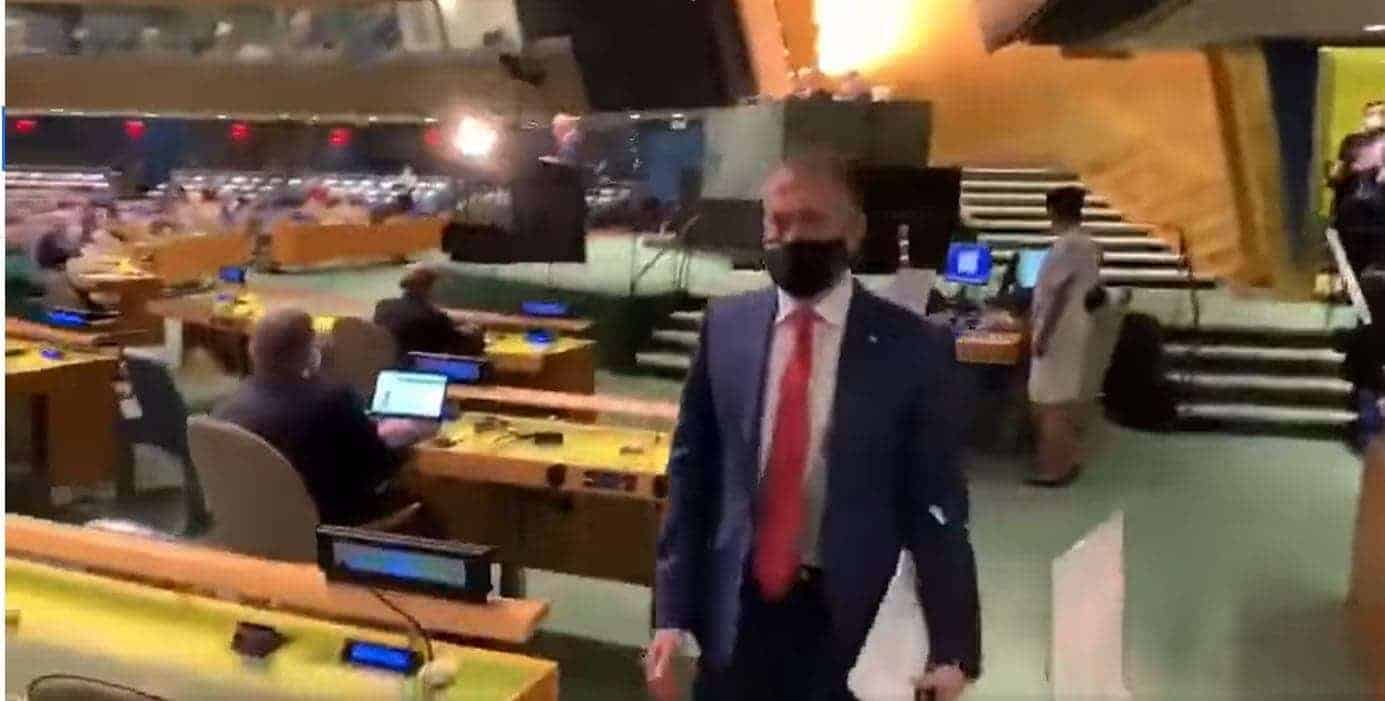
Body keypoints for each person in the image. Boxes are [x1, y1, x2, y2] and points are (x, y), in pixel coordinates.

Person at [645, 157, 981, 701]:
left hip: (847, 616)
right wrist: (671, 615)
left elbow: (937, 506)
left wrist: (952, 649)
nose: (793, 237)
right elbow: (692, 479)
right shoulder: (726, 327)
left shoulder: (914, 347)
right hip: (734, 608)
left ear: (854, 231)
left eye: (812, 220)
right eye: (778, 222)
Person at [213, 309, 435, 526]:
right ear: (309, 352)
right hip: (328, 522)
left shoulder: (227, 406)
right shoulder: (332, 399)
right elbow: (380, 467)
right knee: (425, 504)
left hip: (256, 526)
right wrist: (406, 434)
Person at [1027, 186, 1104, 487]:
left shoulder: (1067, 247)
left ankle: (1054, 469)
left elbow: (1058, 295)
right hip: (1075, 327)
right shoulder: (1088, 244)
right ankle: (1068, 460)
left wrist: (1043, 335)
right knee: (1059, 400)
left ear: (1053, 212)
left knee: (1049, 405)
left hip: (1058, 331)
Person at [373, 266, 485, 361]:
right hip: (420, 363)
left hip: (384, 358)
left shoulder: (383, 305)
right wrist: (475, 331)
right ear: (427, 288)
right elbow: (458, 341)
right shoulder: (432, 317)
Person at [1329, 101, 1385, 276]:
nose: (1376, 118)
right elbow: (1337, 173)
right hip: (1353, 204)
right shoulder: (1352, 141)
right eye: (1371, 114)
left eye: (1381, 113)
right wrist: (1337, 173)